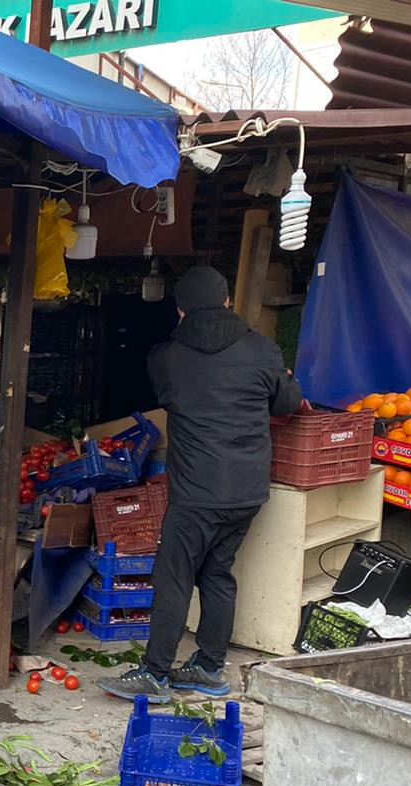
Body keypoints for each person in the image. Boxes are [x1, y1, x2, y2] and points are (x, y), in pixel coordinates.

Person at [101, 266, 303, 702]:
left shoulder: (165, 357)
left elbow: (168, 395)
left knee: (174, 577)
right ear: (228, 301)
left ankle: (155, 673)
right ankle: (209, 668)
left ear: (179, 310)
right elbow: (288, 402)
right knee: (218, 572)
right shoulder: (262, 349)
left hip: (195, 492)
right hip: (247, 491)